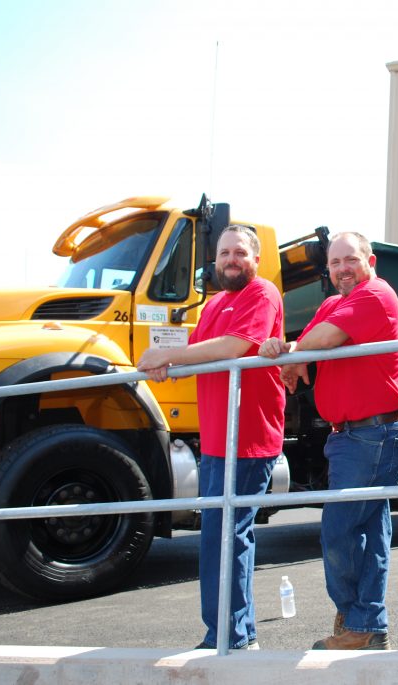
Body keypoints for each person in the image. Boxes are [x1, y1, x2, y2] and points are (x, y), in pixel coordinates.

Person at [258, 232, 398, 650]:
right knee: (369, 530)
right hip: (352, 435)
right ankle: (366, 623)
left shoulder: (375, 295)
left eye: (351, 260)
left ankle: (356, 618)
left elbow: (319, 341)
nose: (343, 269)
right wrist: (292, 354)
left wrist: (292, 351)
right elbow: (306, 344)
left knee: (340, 529)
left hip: (374, 433)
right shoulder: (332, 303)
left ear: (370, 261)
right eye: (335, 262)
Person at [137, 226, 285, 651]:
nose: (231, 259)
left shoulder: (262, 293)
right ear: (215, 261)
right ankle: (227, 632)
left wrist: (170, 354)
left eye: (240, 252)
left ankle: (232, 637)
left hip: (250, 436)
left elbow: (235, 347)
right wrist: (168, 363)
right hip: (219, 438)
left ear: (255, 259)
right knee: (216, 535)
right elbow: (199, 352)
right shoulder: (216, 302)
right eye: (224, 253)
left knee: (228, 534)